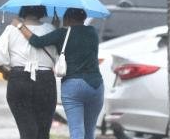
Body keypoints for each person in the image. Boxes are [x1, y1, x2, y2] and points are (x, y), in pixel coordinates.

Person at [13, 8, 103, 139]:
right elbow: (76, 40)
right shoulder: (92, 32)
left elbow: (36, 42)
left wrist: (19, 25)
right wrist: (55, 27)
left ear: (68, 19)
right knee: (90, 131)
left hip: (74, 85)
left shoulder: (62, 33)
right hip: (96, 86)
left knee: (77, 130)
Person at [0, 5, 58, 139]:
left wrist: (7, 73)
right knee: (43, 130)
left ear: (22, 11)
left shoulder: (11, 30)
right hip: (45, 80)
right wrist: (55, 28)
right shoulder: (51, 29)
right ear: (42, 12)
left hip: (18, 79)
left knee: (26, 130)